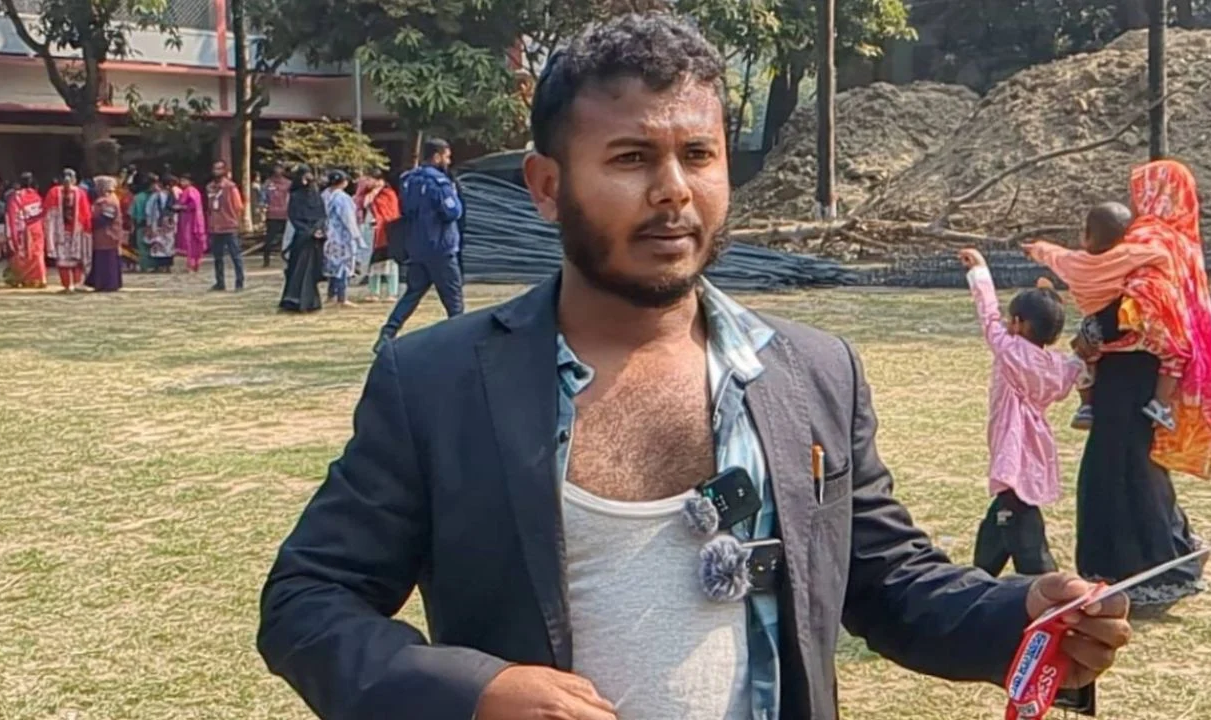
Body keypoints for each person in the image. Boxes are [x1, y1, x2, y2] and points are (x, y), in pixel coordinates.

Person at [257, 14, 1132, 720]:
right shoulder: (438, 383)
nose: (673, 189)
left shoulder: (814, 374)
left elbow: (884, 581)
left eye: (699, 156)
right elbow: (308, 599)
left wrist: (1019, 617)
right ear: (547, 186)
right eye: (631, 158)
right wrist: (475, 693)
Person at [1067, 160, 1211, 617]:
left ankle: (1141, 570)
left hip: (1129, 372)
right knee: (1140, 466)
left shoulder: (1153, 241)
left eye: (1143, 191)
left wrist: (1093, 331)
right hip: (1148, 375)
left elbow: (1143, 307)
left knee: (1118, 470)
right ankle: (1173, 553)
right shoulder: (1182, 243)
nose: (1139, 202)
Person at [959, 248, 1081, 577]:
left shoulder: (1010, 351)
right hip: (1037, 443)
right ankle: (979, 574)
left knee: (1019, 516)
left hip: (1011, 441)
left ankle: (1044, 581)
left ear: (1018, 324)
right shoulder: (1057, 366)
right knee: (1005, 510)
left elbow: (987, 315)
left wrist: (979, 271)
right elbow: (1075, 372)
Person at [1024, 203, 1176, 430]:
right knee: (1175, 354)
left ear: (1086, 236)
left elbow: (1053, 255)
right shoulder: (1129, 255)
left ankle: (1086, 405)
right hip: (1132, 334)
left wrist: (1035, 248)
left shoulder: (1073, 262)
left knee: (1081, 359)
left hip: (1094, 334)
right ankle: (1161, 404)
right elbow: (1163, 257)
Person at [375, 138, 464, 348]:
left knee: (412, 293)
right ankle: (461, 339)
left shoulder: (409, 180)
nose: (448, 161)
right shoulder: (439, 182)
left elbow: (405, 210)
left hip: (417, 247)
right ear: (437, 156)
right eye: (447, 157)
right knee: (454, 299)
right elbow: (453, 212)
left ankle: (388, 333)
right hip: (441, 247)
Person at [278, 165, 327, 313]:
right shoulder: (296, 196)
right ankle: (294, 300)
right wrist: (309, 231)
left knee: (310, 270)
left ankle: (309, 301)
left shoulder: (315, 195)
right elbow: (294, 217)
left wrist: (318, 230)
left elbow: (321, 215)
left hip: (313, 238)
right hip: (302, 237)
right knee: (297, 269)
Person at [320, 169, 364, 308]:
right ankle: (342, 297)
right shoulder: (343, 198)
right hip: (342, 235)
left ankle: (331, 295)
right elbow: (348, 219)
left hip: (328, 234)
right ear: (343, 182)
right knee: (343, 266)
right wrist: (357, 236)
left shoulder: (324, 195)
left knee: (332, 265)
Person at [356, 168, 401, 303]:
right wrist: (373, 192)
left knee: (390, 262)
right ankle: (374, 292)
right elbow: (362, 203)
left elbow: (392, 213)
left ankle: (392, 292)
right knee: (374, 263)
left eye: (370, 179)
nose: (367, 182)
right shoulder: (368, 193)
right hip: (372, 231)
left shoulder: (389, 193)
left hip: (387, 230)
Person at [44, 168, 92, 293]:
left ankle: (67, 286)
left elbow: (48, 213)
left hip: (59, 232)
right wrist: (87, 230)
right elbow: (86, 214)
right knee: (77, 259)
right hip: (77, 232)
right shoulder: (81, 193)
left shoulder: (53, 192)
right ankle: (77, 283)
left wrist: (49, 232)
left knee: (63, 260)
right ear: (75, 179)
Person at [206, 160, 246, 291]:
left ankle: (239, 283)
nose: (216, 171)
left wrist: (237, 222)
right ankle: (220, 282)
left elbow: (238, 206)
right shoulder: (210, 187)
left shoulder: (230, 187)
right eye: (214, 169)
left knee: (236, 256)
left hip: (229, 225)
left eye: (219, 169)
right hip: (215, 226)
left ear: (224, 171)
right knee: (217, 257)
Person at [3, 172, 48, 289]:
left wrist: (12, 235)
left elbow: (12, 216)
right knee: (37, 253)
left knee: (21, 254)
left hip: (22, 229)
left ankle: (22, 279)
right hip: (37, 228)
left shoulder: (16, 197)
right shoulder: (36, 195)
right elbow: (41, 212)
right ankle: (40, 278)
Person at [86, 175, 125, 292]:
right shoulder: (105, 199)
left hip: (107, 236)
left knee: (107, 261)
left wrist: (89, 224)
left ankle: (108, 284)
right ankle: (100, 283)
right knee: (102, 260)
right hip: (102, 236)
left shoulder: (109, 201)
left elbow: (106, 218)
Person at [174, 174, 207, 274]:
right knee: (194, 243)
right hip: (193, 219)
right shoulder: (193, 191)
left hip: (191, 220)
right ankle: (195, 264)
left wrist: (181, 207)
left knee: (191, 243)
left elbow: (193, 205)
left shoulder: (190, 190)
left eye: (184, 180)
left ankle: (191, 265)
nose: (182, 183)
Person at [143, 175, 177, 273]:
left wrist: (149, 223)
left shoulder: (155, 195)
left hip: (157, 222)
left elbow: (149, 210)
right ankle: (167, 266)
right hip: (169, 222)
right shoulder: (172, 194)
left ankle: (158, 266)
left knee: (158, 243)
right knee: (169, 243)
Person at [262, 165, 291, 268]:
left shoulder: (288, 184)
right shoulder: (268, 183)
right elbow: (263, 198)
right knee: (270, 238)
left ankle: (287, 258)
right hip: (274, 214)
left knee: (286, 238)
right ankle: (266, 260)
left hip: (284, 214)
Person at [130, 173, 157, 273]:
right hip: (155, 225)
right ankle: (155, 265)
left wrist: (132, 226)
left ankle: (144, 266)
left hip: (141, 224)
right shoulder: (157, 196)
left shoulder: (137, 197)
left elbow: (132, 214)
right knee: (154, 245)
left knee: (142, 246)